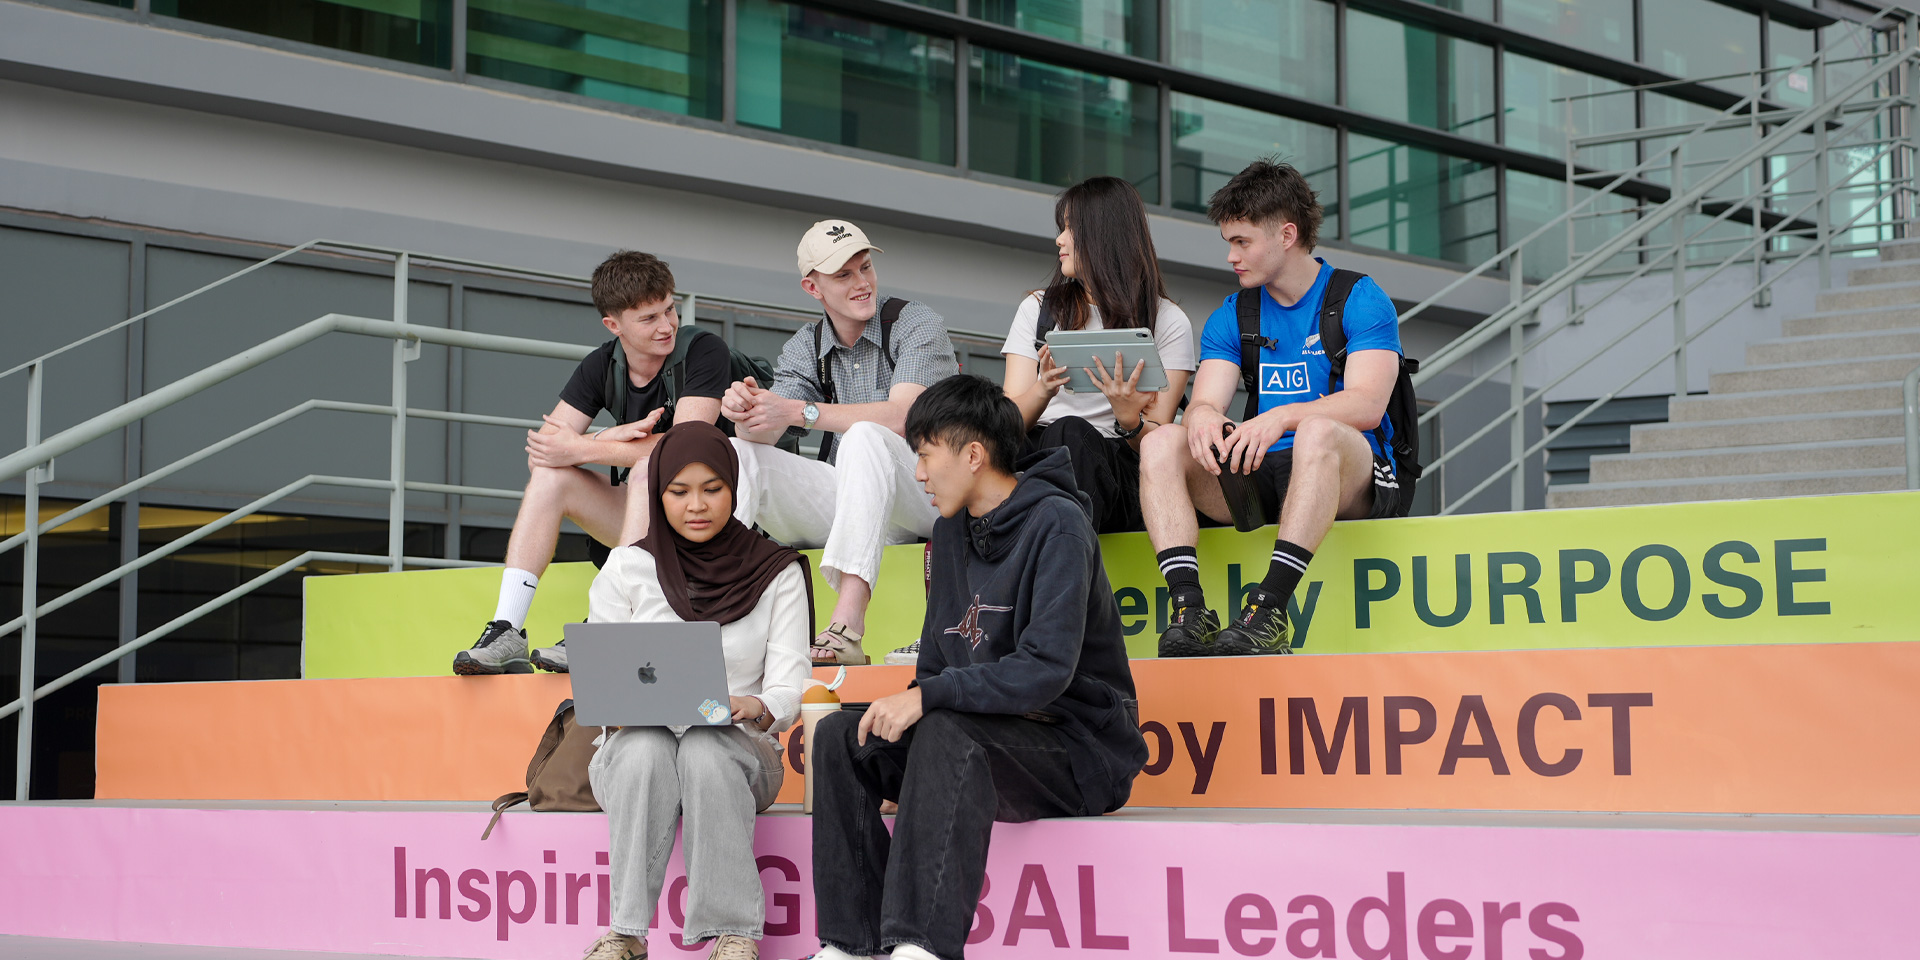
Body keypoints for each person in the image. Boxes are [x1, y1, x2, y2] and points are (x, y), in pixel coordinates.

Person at [803, 375, 1147, 960]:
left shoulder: (1059, 524)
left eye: (924, 454)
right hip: (981, 738)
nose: (917, 474)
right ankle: (851, 944)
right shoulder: (949, 533)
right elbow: (937, 663)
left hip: (1075, 749)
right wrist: (920, 706)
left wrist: (930, 700)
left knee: (941, 722)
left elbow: (1046, 670)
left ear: (973, 454)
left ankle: (919, 946)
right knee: (842, 735)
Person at [1141, 159, 1409, 658]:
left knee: (1317, 431)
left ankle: (1270, 611)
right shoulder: (1234, 313)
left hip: (1353, 475)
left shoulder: (1359, 297)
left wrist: (1281, 417)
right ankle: (1189, 609)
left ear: (1286, 235)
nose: (1230, 256)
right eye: (1228, 242)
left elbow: (1369, 405)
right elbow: (1206, 399)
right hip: (1262, 473)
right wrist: (1200, 417)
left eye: (1241, 242)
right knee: (1161, 440)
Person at [577, 421, 813, 960]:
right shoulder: (627, 567)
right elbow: (602, 672)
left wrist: (755, 705)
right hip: (638, 745)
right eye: (678, 492)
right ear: (659, 496)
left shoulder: (775, 572)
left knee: (706, 747)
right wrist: (626, 705)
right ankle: (626, 932)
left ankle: (735, 934)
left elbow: (789, 682)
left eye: (712, 489)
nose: (696, 505)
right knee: (644, 747)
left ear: (734, 487)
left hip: (742, 748)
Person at [453, 250, 728, 676]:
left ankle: (601, 626)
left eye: (670, 310)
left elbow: (686, 447)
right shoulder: (603, 364)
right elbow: (545, 452)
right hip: (646, 517)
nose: (667, 325)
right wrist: (606, 437)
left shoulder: (704, 350)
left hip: (710, 519)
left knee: (643, 470)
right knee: (550, 477)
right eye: (649, 318)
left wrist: (586, 446)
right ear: (613, 325)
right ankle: (507, 627)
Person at [720, 219, 958, 668]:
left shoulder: (916, 322)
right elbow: (764, 433)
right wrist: (746, 410)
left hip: (928, 497)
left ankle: (847, 626)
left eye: (865, 268)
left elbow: (904, 416)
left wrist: (798, 412)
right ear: (813, 288)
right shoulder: (805, 345)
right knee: (738, 453)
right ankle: (713, 610)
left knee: (865, 435)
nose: (862, 283)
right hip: (857, 508)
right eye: (844, 275)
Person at [1001, 175, 1195, 533]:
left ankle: (1057, 557)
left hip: (1115, 469)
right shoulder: (1039, 309)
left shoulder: (1167, 321)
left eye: (1070, 228)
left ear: (1103, 234)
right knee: (1059, 435)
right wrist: (1042, 390)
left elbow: (1157, 444)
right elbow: (1005, 424)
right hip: (1038, 453)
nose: (1059, 239)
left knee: (1073, 434)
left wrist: (1127, 416)